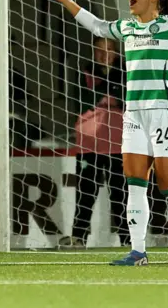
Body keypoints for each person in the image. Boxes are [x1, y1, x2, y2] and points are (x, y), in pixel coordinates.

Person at [48, 0, 168, 266]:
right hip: (134, 115)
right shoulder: (127, 27)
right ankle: (138, 251)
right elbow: (99, 27)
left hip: (164, 114)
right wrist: (67, 1)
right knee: (135, 182)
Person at [60, 37, 128, 248]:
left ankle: (128, 239)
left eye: (109, 50)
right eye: (99, 50)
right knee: (86, 189)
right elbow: (80, 99)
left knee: (120, 192)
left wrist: (108, 92)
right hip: (90, 141)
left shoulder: (126, 71)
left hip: (119, 140)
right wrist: (109, 93)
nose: (104, 54)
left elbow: (126, 98)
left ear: (116, 52)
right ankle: (78, 236)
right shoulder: (85, 72)